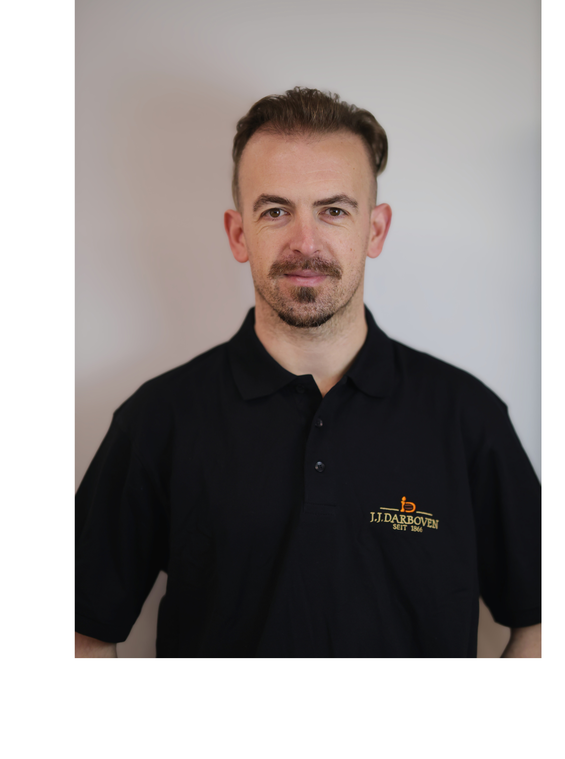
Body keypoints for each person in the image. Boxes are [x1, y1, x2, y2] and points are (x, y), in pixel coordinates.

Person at [75, 87, 541, 658]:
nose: (305, 243)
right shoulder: (157, 420)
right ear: (239, 234)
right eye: (276, 211)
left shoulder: (468, 419)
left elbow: (544, 622)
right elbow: (81, 633)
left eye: (334, 210)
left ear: (375, 230)